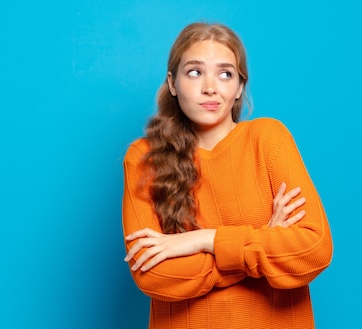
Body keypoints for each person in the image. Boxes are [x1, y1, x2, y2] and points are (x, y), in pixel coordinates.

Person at [122, 22, 333, 329]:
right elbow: (154, 275)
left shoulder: (268, 139)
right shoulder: (144, 157)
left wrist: (204, 240)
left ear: (239, 88)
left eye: (225, 73)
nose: (211, 87)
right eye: (194, 72)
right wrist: (261, 240)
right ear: (172, 82)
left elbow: (313, 250)